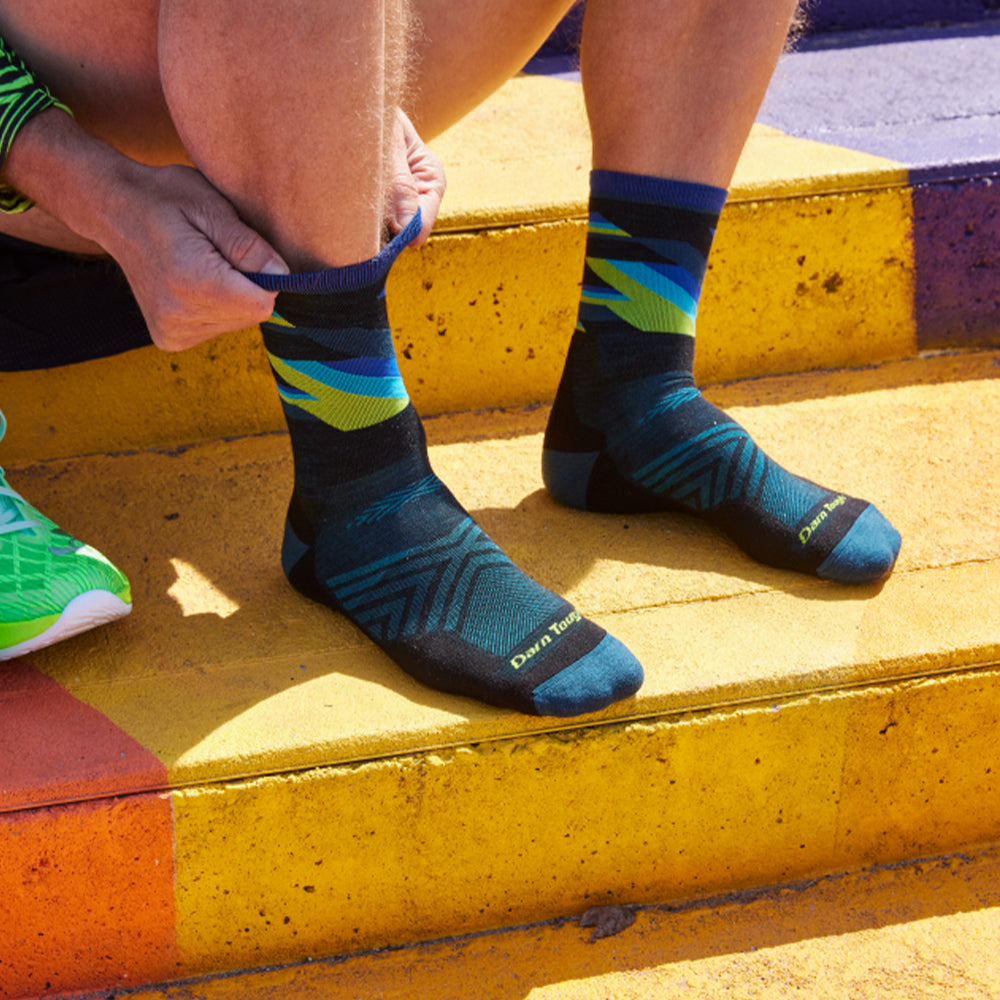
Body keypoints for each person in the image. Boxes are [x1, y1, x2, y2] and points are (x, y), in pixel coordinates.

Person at [0, 0, 900, 710]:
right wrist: (96, 186)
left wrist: (342, 72)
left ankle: (636, 384)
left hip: (243, 100)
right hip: (55, 172)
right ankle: (360, 487)